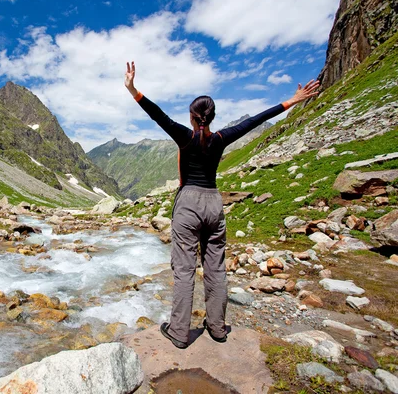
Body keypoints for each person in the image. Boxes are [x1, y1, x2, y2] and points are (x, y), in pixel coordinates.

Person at [124, 61, 319, 347]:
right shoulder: (221, 138)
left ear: (192, 117)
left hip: (188, 202)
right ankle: (217, 328)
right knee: (215, 267)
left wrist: (132, 89)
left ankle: (179, 332)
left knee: (184, 269)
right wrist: (291, 100)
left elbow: (158, 116)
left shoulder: (185, 136)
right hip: (214, 203)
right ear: (211, 117)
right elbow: (253, 121)